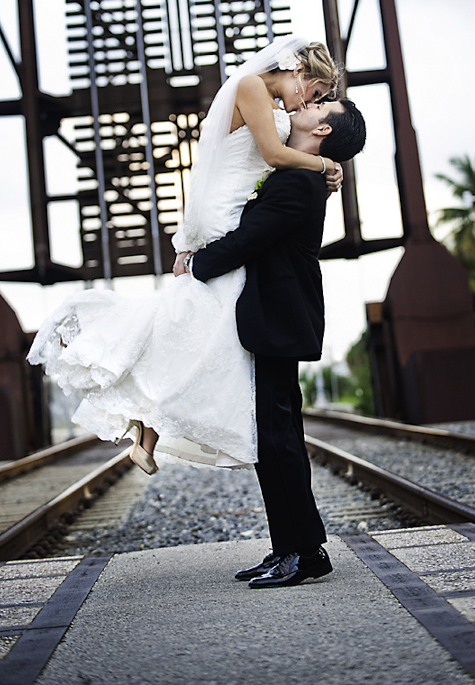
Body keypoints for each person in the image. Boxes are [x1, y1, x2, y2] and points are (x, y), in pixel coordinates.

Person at [27, 35, 343, 472]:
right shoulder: (253, 86)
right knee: (210, 318)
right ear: (299, 73)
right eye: (313, 93)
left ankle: (147, 423)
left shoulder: (264, 98)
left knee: (201, 319)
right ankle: (116, 362)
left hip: (232, 205)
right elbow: (272, 154)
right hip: (226, 213)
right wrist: (326, 165)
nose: (303, 104)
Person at [181, 98, 367, 587]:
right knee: (276, 437)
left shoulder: (298, 181)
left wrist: (194, 265)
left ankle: (304, 553)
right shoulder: (301, 172)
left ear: (322, 128)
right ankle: (294, 548)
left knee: (277, 438)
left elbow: (248, 239)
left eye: (322, 104)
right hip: (279, 318)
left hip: (279, 320)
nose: (308, 102)